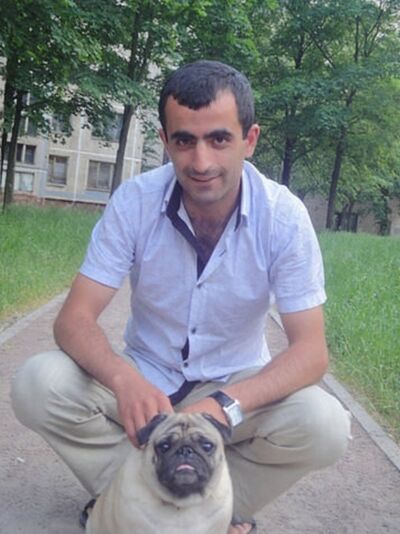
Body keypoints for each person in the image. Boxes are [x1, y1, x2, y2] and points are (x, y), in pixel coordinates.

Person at [11, 60, 351, 534]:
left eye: (219, 139)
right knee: (38, 383)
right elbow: (73, 320)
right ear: (165, 140)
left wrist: (226, 404)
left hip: (234, 381)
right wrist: (123, 379)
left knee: (325, 424)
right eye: (185, 141)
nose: (201, 162)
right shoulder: (134, 202)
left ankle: (213, 507)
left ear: (250, 139)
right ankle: (126, 498)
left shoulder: (284, 217)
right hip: (146, 378)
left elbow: (311, 353)